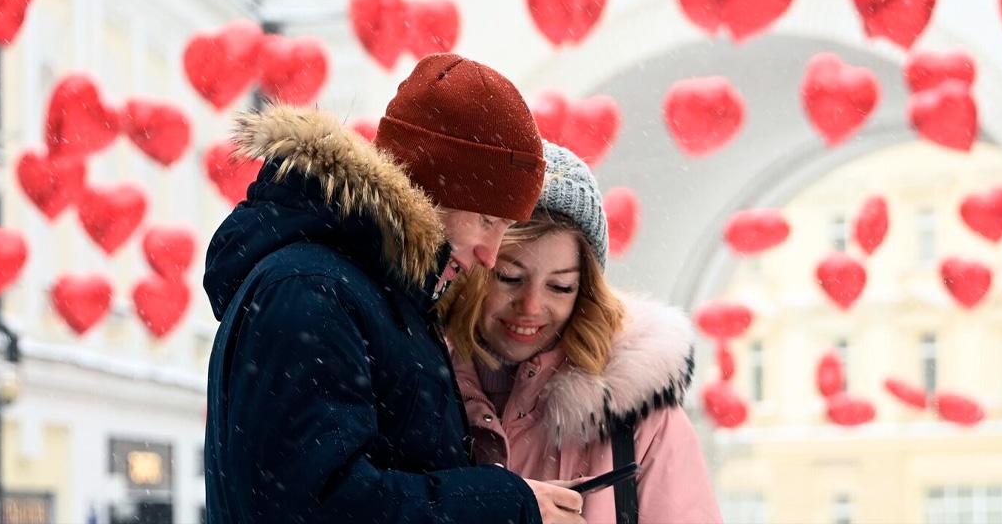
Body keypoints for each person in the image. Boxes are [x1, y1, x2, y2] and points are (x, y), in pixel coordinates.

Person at [202, 53, 585, 524]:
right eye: (487, 221)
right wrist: (505, 504)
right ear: (430, 191)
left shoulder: (375, 296)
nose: (490, 255)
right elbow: (317, 509)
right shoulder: (311, 291)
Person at [440, 143, 723, 524]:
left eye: (560, 287)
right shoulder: (414, 388)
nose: (531, 306)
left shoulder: (638, 416)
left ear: (585, 291)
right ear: (475, 268)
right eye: (509, 278)